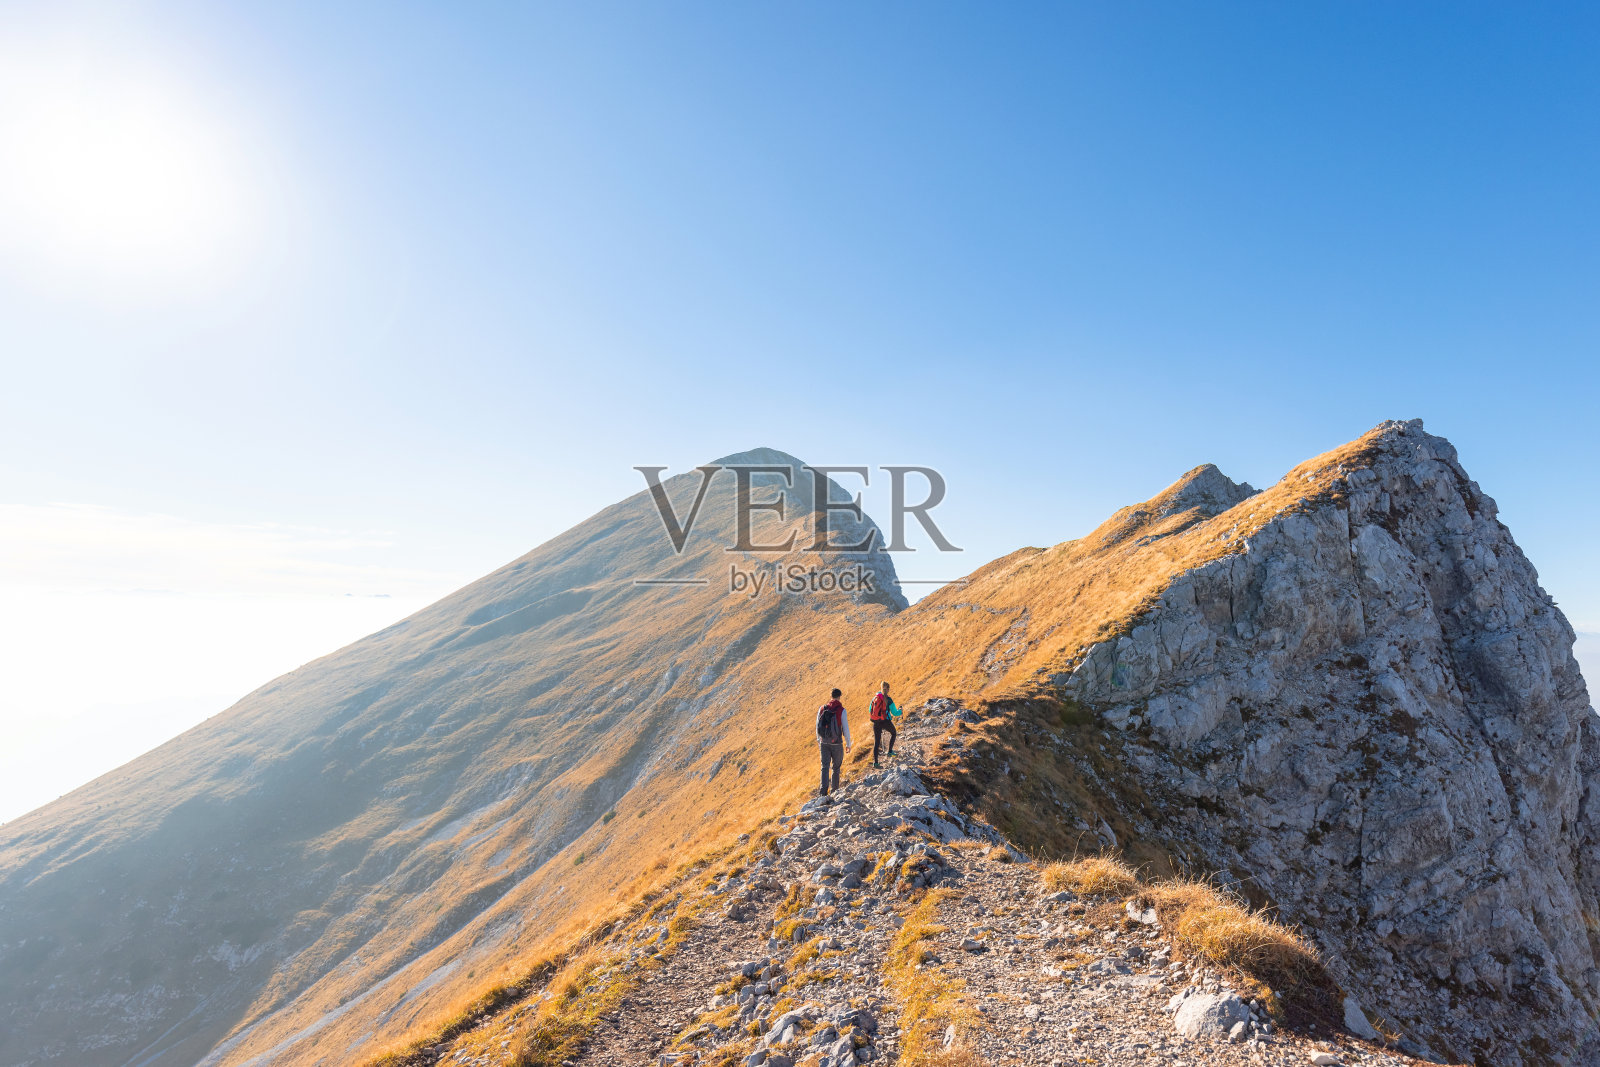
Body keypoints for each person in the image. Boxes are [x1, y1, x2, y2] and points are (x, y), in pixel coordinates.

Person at [815, 688, 852, 796]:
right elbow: (845, 729)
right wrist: (848, 744)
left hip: (824, 742)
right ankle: (834, 791)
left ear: (830, 696)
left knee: (825, 766)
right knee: (836, 767)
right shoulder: (841, 710)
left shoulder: (822, 709)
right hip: (836, 743)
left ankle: (823, 792)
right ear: (839, 696)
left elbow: (817, 726)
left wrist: (819, 741)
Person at [868, 681, 898, 767]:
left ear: (881, 688)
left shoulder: (875, 698)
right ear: (888, 689)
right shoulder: (888, 699)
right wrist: (901, 711)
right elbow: (895, 713)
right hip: (885, 721)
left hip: (876, 722)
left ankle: (876, 763)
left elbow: (870, 710)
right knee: (893, 733)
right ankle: (890, 751)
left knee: (876, 742)